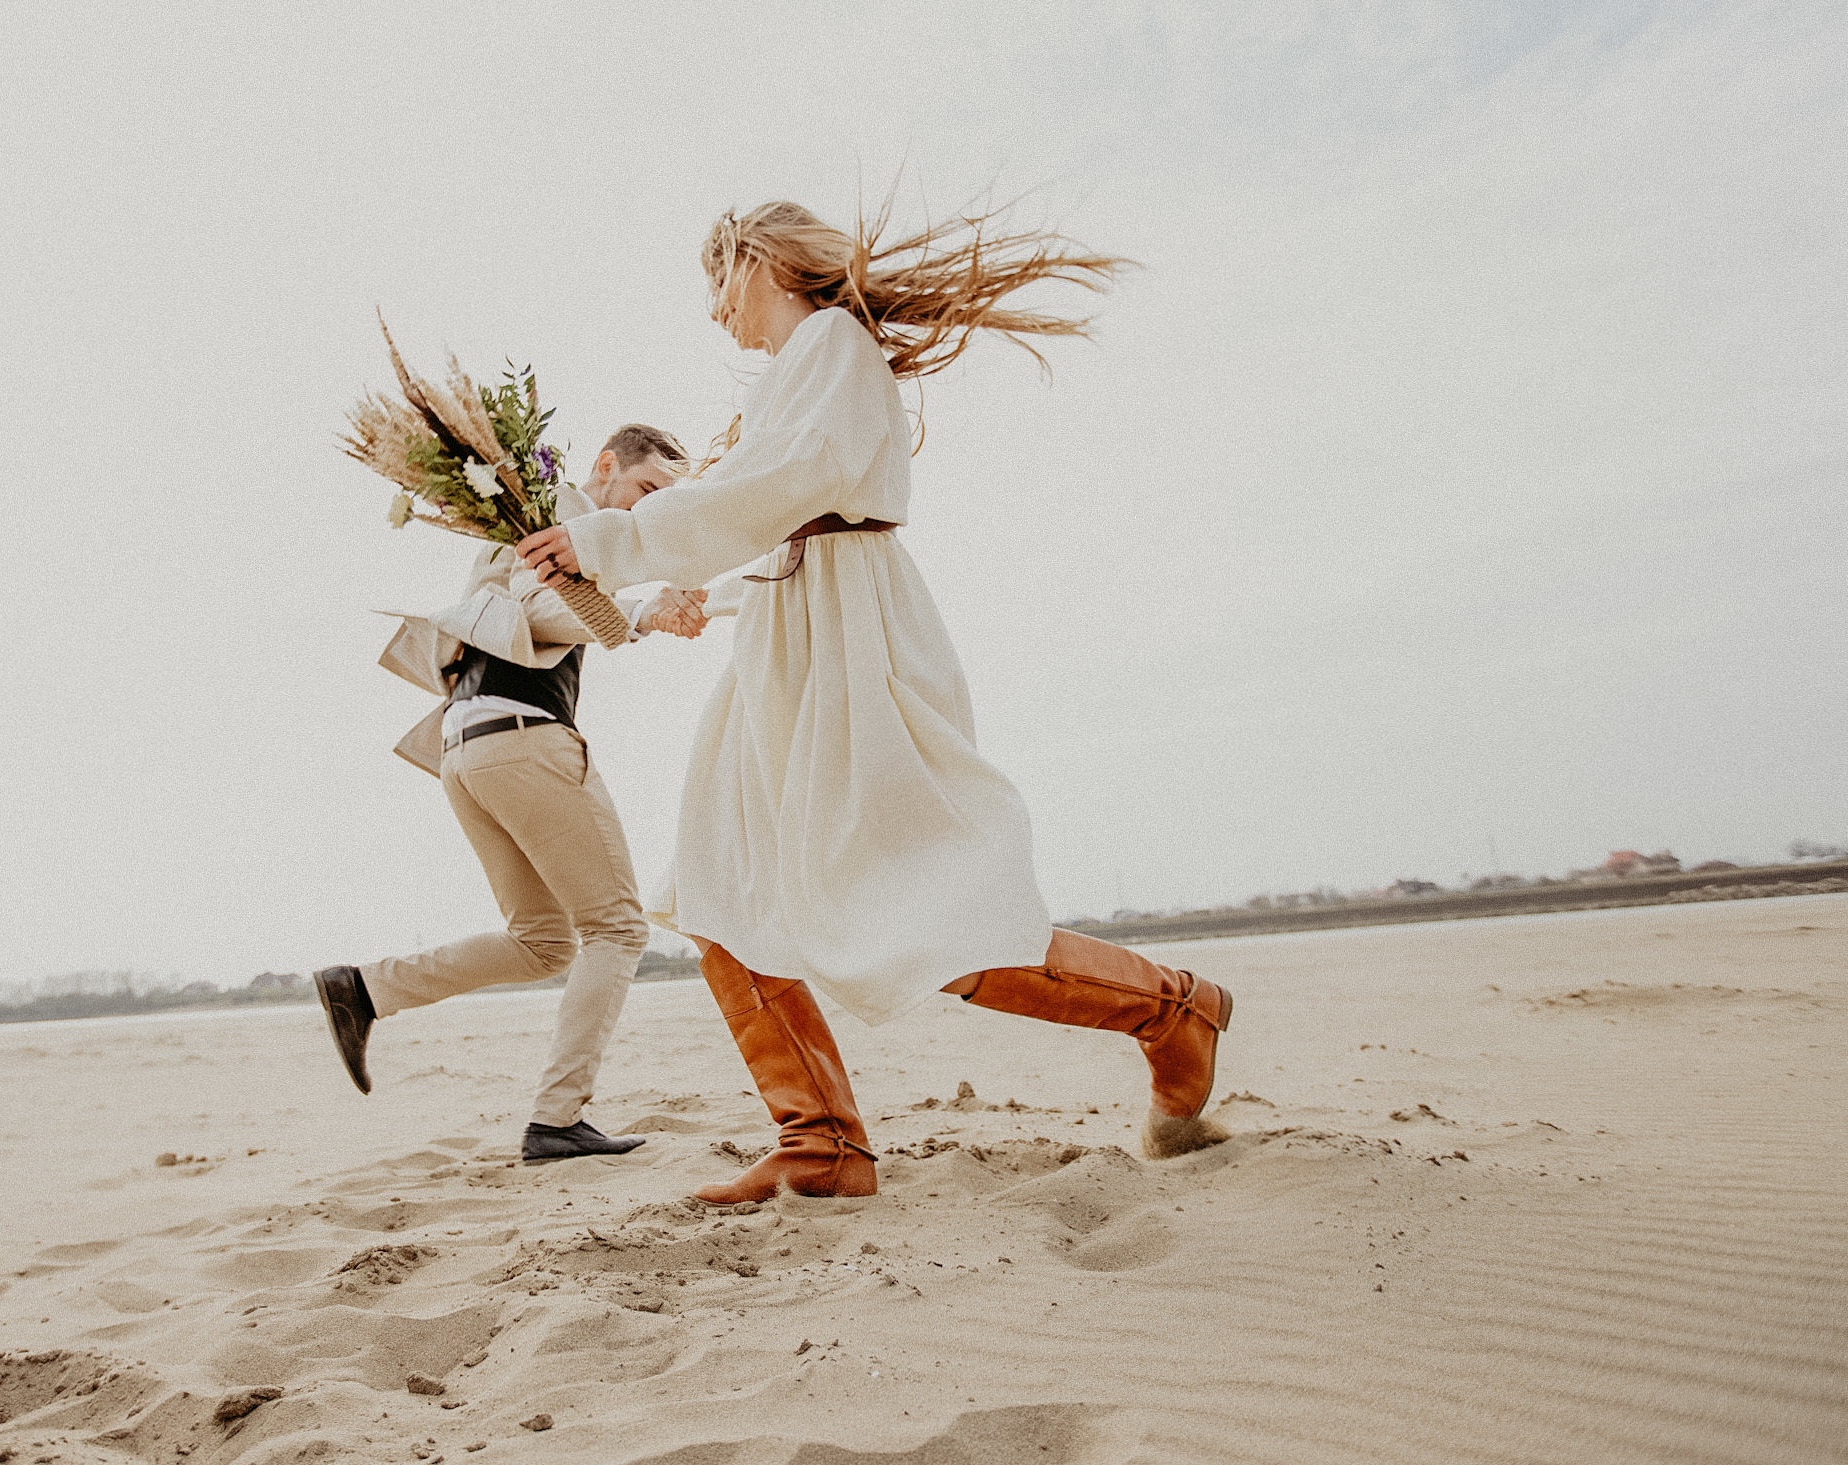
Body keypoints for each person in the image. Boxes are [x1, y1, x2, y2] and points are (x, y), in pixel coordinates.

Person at [516, 203, 1235, 1205]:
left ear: (760, 263)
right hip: (789, 635)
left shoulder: (828, 343)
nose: (713, 310)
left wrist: (606, 545)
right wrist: (697, 593)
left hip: (846, 649)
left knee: (922, 904)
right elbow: (783, 520)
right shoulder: (807, 363)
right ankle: (819, 1144)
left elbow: (790, 488)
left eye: (717, 282)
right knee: (718, 888)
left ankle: (1171, 1010)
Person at [315, 424, 709, 1163]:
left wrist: (657, 609)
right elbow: (536, 610)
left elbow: (537, 612)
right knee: (618, 928)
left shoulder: (550, 530)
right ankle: (557, 1120)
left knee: (541, 940)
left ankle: (364, 989)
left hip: (470, 748)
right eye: (645, 489)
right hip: (521, 739)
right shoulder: (546, 517)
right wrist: (641, 614)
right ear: (605, 466)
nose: (646, 509)